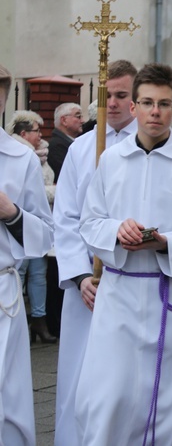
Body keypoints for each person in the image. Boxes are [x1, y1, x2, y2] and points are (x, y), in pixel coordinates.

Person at [75, 63, 172, 445]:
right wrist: (116, 230)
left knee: (168, 402)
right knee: (110, 396)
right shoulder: (111, 161)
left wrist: (167, 243)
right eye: (147, 102)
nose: (155, 112)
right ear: (134, 108)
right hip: (120, 295)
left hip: (170, 294)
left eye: (163, 104)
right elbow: (90, 221)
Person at [53, 59, 139, 446]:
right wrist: (81, 276)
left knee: (128, 378)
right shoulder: (81, 149)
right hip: (87, 286)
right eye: (108, 95)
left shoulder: (155, 145)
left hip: (134, 280)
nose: (115, 103)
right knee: (80, 375)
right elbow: (66, 217)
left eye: (122, 95)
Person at [0, 66, 54, 446]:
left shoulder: (20, 159)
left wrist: (13, 214)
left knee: (7, 396)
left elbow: (44, 233)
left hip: (1, 292)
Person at [7, 110, 57, 344]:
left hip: (31, 225)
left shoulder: (27, 156)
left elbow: (46, 230)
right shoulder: (23, 154)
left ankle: (39, 318)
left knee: (37, 275)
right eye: (36, 130)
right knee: (26, 272)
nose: (40, 135)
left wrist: (12, 212)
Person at [48, 102, 84, 182]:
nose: (82, 121)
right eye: (78, 116)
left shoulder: (75, 142)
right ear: (64, 120)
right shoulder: (57, 146)